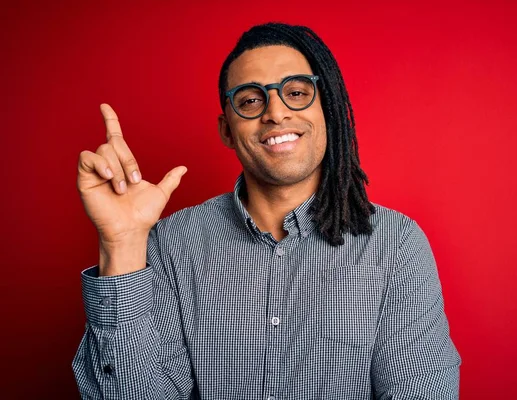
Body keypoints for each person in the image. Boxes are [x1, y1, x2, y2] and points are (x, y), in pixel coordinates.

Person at [72, 22, 461, 399]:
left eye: (295, 92)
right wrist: (120, 246)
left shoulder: (396, 245)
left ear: (328, 110)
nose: (275, 112)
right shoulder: (170, 244)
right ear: (227, 130)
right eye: (251, 100)